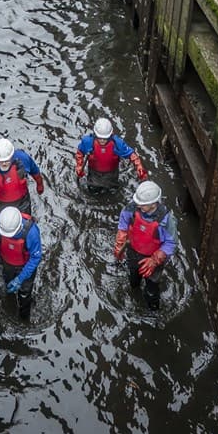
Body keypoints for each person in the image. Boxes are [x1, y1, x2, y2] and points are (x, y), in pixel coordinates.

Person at [114, 181, 177, 310]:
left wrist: (155, 259)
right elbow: (123, 224)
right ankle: (134, 292)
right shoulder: (131, 209)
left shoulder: (165, 220)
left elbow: (171, 242)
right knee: (133, 279)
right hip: (133, 252)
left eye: (142, 204)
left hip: (152, 259)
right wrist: (120, 242)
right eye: (138, 202)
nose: (138, 205)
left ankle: (153, 310)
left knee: (152, 290)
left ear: (154, 204)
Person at [0, 206, 42, 321]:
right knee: (7, 284)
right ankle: (10, 302)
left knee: (24, 293)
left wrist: (20, 279)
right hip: (7, 262)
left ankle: (24, 318)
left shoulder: (31, 232)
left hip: (26, 265)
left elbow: (35, 258)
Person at [0, 137, 44, 239]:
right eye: (1, 161)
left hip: (22, 201)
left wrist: (39, 184)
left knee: (25, 229)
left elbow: (35, 171)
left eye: (7, 160)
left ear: (12, 155)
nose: (4, 163)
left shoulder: (23, 158)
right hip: (0, 204)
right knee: (3, 233)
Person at [75, 117, 147, 194]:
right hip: (94, 173)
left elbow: (132, 155)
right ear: (95, 134)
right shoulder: (88, 142)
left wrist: (139, 167)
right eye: (100, 138)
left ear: (110, 135)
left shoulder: (117, 144)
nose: (102, 140)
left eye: (105, 138)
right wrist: (79, 166)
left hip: (112, 173)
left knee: (112, 191)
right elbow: (80, 153)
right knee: (93, 190)